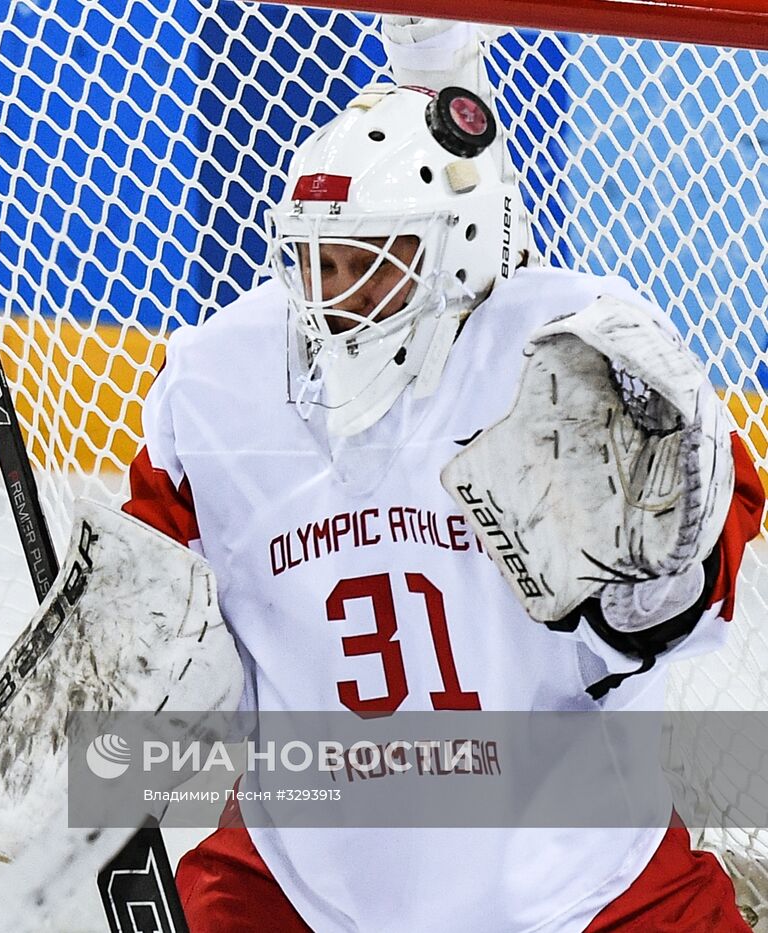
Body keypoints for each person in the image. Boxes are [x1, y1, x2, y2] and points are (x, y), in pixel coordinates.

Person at [121, 23, 765, 933]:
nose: (333, 295)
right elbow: (146, 584)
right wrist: (105, 652)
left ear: (457, 252)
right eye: (316, 262)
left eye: (368, 266)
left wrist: (653, 593)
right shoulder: (223, 376)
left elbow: (721, 519)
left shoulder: (574, 348)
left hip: (582, 882)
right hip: (305, 879)